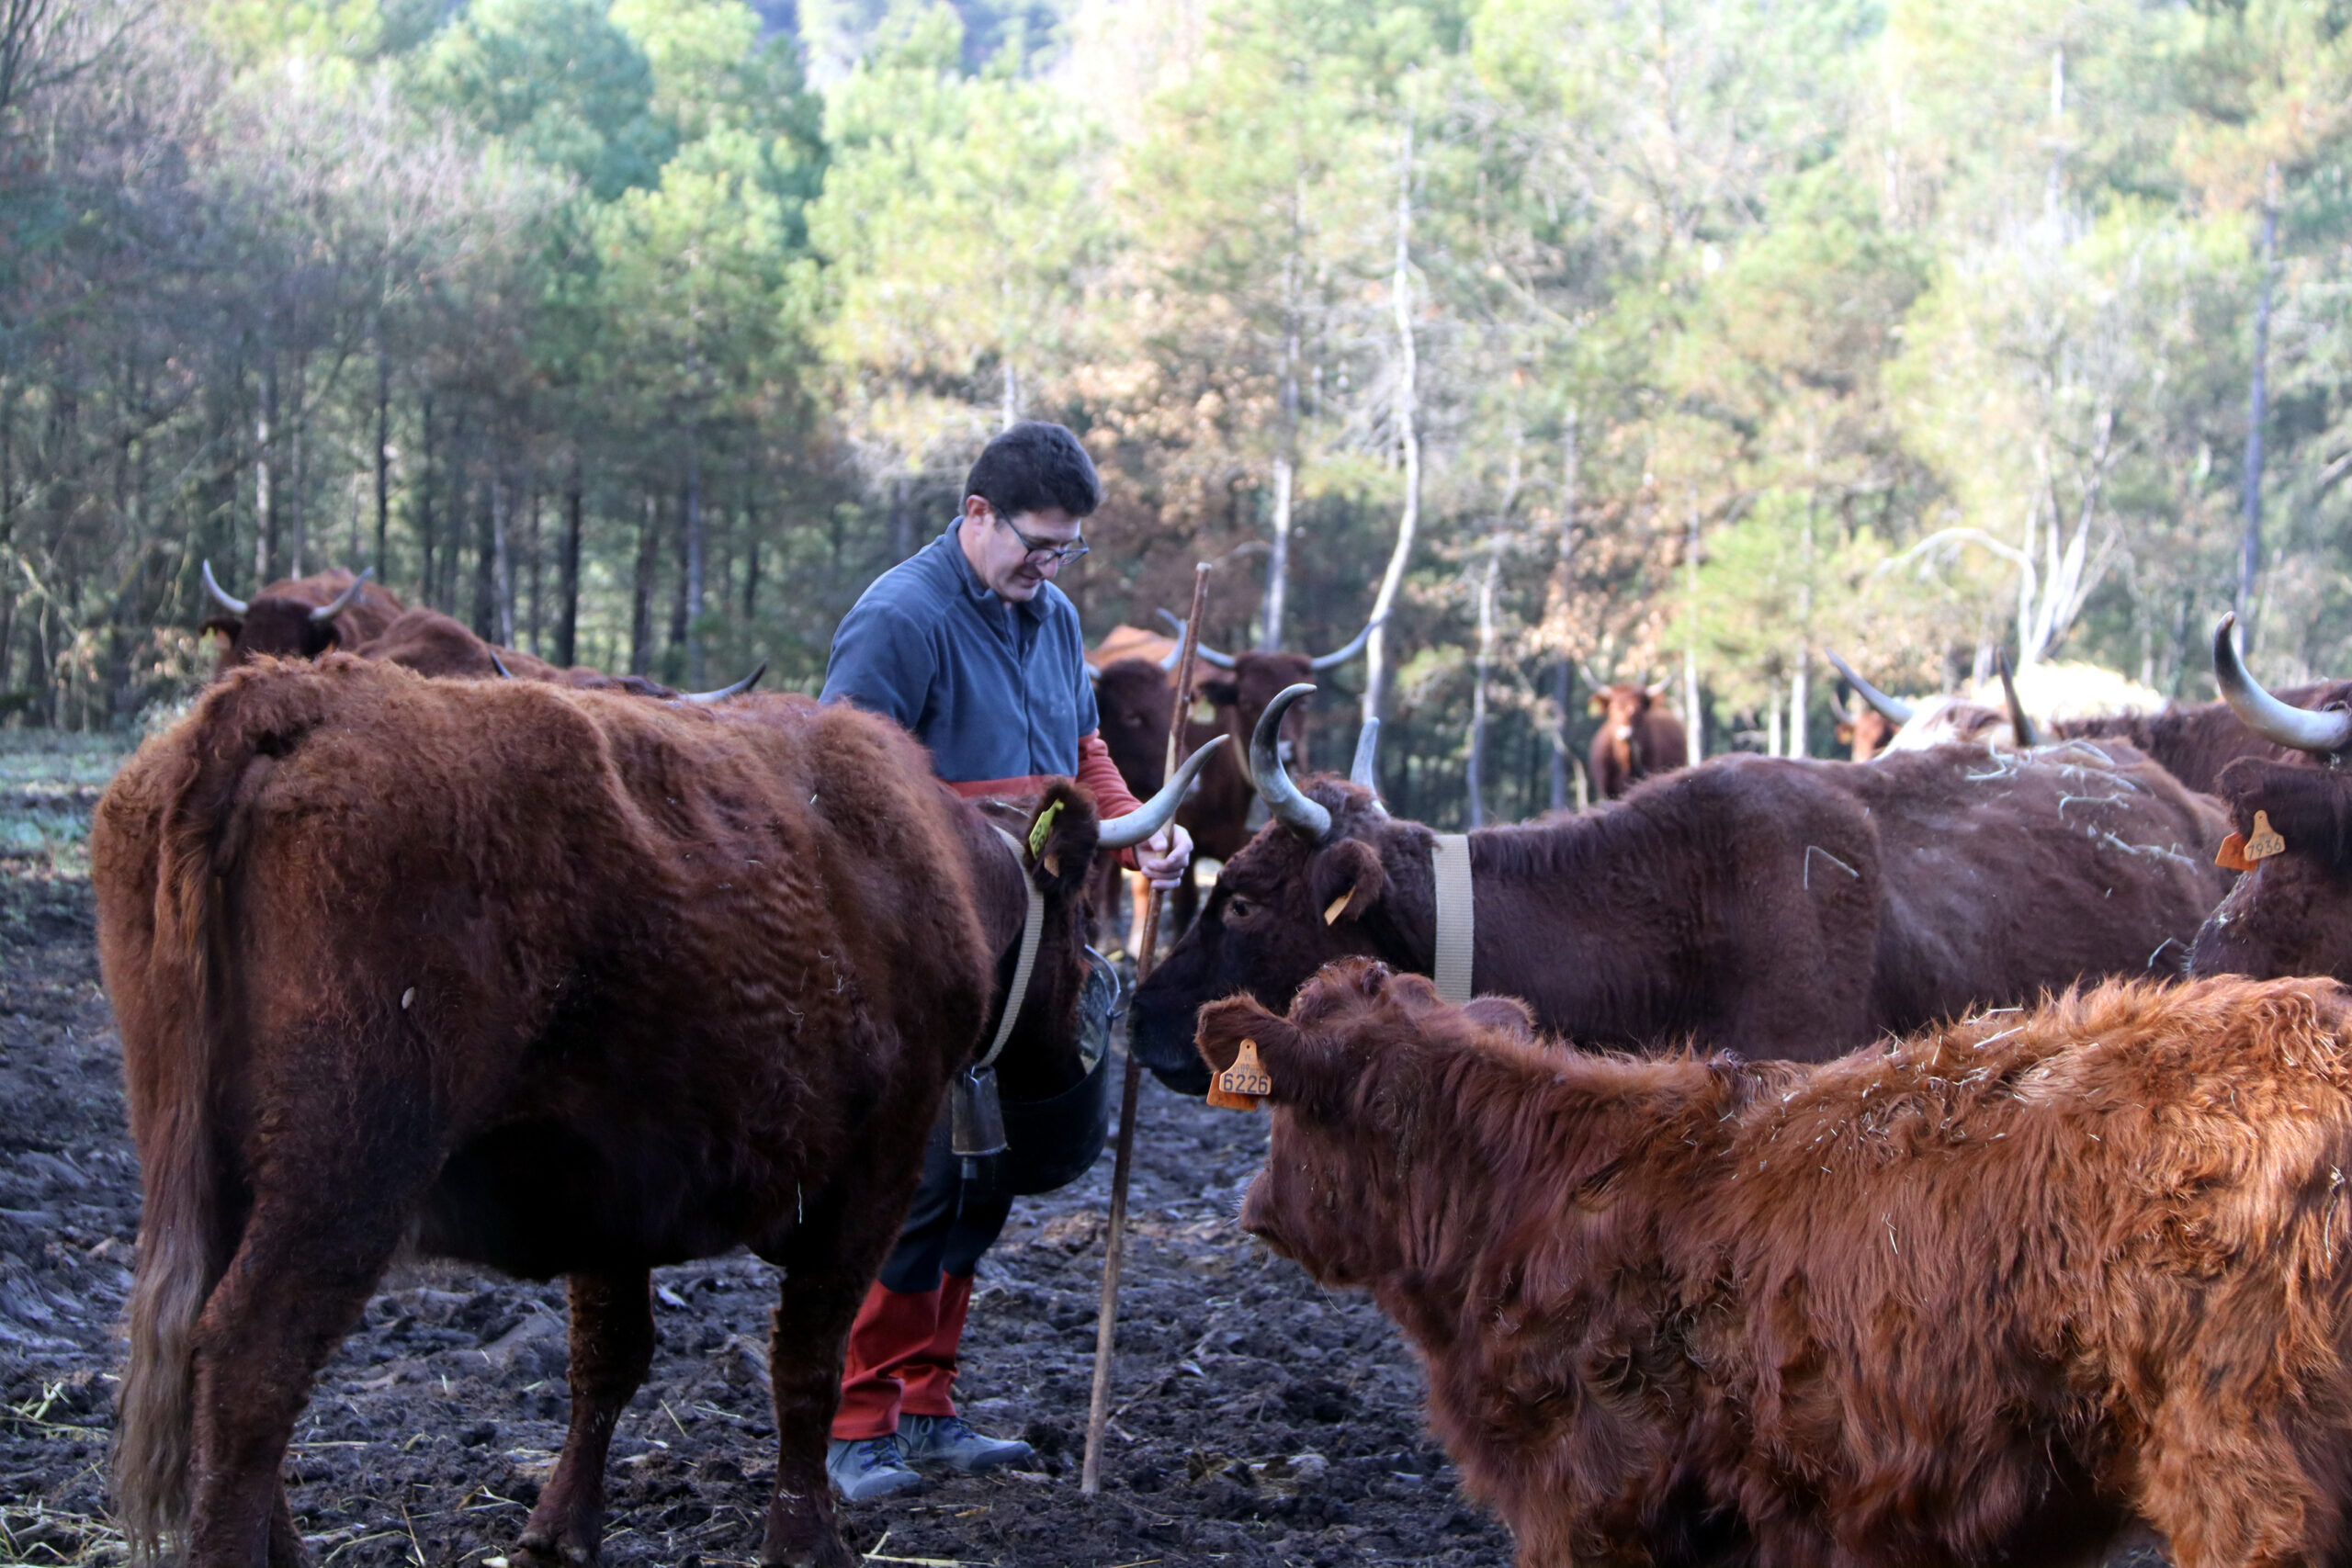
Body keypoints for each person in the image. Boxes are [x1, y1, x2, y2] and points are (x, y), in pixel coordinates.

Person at [817, 421, 1192, 1500]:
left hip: (1033, 954)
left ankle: (928, 1408)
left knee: (985, 1182)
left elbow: (1081, 753)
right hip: (921, 955)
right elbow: (843, 791)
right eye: (1036, 544)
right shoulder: (899, 618)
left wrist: (1138, 828)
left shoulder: (1054, 615)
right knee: (917, 1185)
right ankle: (853, 1425)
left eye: (1067, 549)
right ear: (976, 514)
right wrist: (1001, 822)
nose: (1051, 568)